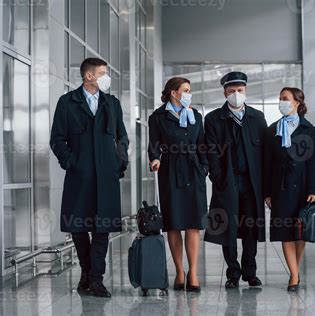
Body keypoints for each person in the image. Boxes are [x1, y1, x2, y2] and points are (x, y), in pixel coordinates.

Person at [50, 58, 129, 297]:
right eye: (103, 73)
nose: (107, 77)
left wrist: (119, 162)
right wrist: (72, 162)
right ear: (89, 76)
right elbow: (57, 139)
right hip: (80, 176)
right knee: (79, 227)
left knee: (102, 229)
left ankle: (96, 279)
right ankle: (87, 272)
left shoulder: (112, 103)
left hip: (106, 176)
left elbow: (122, 137)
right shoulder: (67, 102)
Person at [204, 71, 267, 289]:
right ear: (224, 93)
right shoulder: (213, 119)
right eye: (232, 91)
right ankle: (233, 273)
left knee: (250, 228)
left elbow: (265, 153)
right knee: (227, 228)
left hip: (251, 184)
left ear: (246, 91)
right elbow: (211, 152)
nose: (236, 94)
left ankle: (250, 272)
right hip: (227, 183)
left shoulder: (257, 117)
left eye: (240, 91)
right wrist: (217, 177)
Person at [148, 77, 208, 292]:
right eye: (185, 90)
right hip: (170, 171)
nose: (189, 94)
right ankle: (179, 271)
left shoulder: (195, 116)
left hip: (193, 171)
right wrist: (154, 159)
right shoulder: (157, 117)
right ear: (174, 93)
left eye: (189, 90)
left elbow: (202, 145)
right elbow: (153, 144)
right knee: (173, 223)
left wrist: (204, 168)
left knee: (193, 223)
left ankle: (193, 272)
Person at [263, 87, 315, 292]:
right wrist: (267, 192)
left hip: (303, 187)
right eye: (279, 99)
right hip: (281, 187)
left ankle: (295, 270)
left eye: (285, 99)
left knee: (300, 232)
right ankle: (294, 275)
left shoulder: (309, 129)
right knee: (285, 231)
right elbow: (266, 164)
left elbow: (314, 161)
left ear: (297, 102)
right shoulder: (272, 129)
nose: (281, 102)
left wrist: (313, 189)